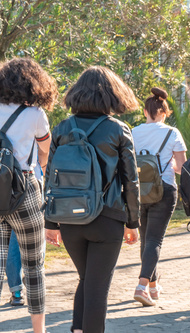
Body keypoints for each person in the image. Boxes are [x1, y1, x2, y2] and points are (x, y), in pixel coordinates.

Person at [45, 66, 140, 333]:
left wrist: (50, 223)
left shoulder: (62, 128)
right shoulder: (118, 130)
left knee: (87, 279)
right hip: (107, 219)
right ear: (112, 95)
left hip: (68, 220)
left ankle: (77, 328)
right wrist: (133, 222)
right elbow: (131, 181)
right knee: (97, 288)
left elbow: (50, 179)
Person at [0, 58, 57, 333]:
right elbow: (46, 150)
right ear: (34, 84)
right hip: (25, 194)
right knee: (34, 267)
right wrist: (41, 166)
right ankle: (38, 330)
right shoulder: (35, 115)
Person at [131, 87, 187, 306]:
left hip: (139, 191)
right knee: (154, 240)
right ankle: (142, 286)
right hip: (164, 189)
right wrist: (171, 165)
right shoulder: (172, 133)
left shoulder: (133, 132)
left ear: (145, 111)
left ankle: (153, 287)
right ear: (165, 112)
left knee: (146, 240)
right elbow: (182, 168)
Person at [6, 161, 43, 307]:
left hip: (5, 188)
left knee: (13, 244)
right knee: (36, 241)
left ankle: (16, 293)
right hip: (32, 186)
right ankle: (32, 280)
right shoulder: (33, 137)